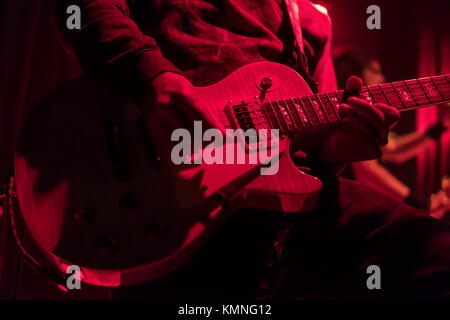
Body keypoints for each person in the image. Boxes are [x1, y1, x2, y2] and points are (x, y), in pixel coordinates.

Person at [56, 0, 450, 298]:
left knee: (432, 252)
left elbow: (312, 151)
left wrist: (334, 149)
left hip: (276, 201)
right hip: (157, 187)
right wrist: (150, 73)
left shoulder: (308, 17)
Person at [334, 50, 450, 217]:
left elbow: (395, 150)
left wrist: (441, 126)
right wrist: (422, 204)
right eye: (375, 71)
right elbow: (365, 168)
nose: (382, 79)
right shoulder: (345, 118)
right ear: (354, 74)